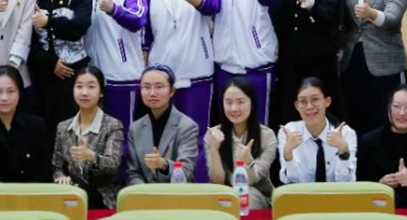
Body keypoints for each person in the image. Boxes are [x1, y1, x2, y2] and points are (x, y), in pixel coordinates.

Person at [142, 0, 220, 179]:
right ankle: (165, 190)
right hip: (161, 74)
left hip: (197, 72)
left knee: (196, 136)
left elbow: (212, 6)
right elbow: (146, 30)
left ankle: (200, 189)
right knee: (163, 138)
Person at [339, 0, 407, 135]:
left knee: (385, 123)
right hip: (352, 61)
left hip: (386, 65)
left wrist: (371, 13)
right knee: (355, 120)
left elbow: (391, 18)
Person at [272, 0, 343, 124]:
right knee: (290, 113)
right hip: (290, 62)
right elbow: (283, 18)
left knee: (318, 114)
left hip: (319, 63)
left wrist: (310, 2)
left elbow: (328, 19)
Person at [86, 0, 147, 137]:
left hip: (123, 77)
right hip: (94, 76)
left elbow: (138, 19)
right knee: (98, 136)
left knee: (123, 135)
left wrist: (114, 10)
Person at [29, 0, 93, 129]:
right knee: (44, 131)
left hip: (73, 77)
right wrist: (51, 64)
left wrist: (48, 22)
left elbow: (79, 28)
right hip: (43, 76)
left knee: (72, 130)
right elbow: (29, 42)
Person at [52, 66, 124, 209]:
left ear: (101, 92)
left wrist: (92, 157)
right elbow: (57, 167)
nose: (84, 92)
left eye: (91, 87)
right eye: (79, 86)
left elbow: (113, 166)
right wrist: (61, 178)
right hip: (72, 195)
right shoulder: (63, 127)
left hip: (103, 198)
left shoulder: (112, 125)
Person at [204, 76, 277, 209]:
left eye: (240, 102)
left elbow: (251, 181)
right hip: (224, 196)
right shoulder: (213, 135)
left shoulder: (267, 136)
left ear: (252, 103)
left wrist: (248, 161)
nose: (234, 108)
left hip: (256, 196)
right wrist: (214, 150)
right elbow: (217, 181)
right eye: (228, 102)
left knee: (247, 195)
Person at [125, 65, 199, 184]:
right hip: (144, 193)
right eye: (146, 87)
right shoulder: (135, 128)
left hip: (176, 192)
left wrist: (163, 164)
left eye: (159, 87)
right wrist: (145, 192)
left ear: (172, 91)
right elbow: (133, 173)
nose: (152, 93)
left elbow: (187, 171)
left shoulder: (187, 126)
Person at [278, 77, 357, 183]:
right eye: (303, 101)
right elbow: (290, 181)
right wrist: (288, 153)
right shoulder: (288, 132)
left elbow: (345, 182)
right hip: (301, 193)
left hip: (335, 193)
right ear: (297, 105)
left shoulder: (346, 133)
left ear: (327, 101)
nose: (309, 106)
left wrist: (344, 151)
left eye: (315, 99)